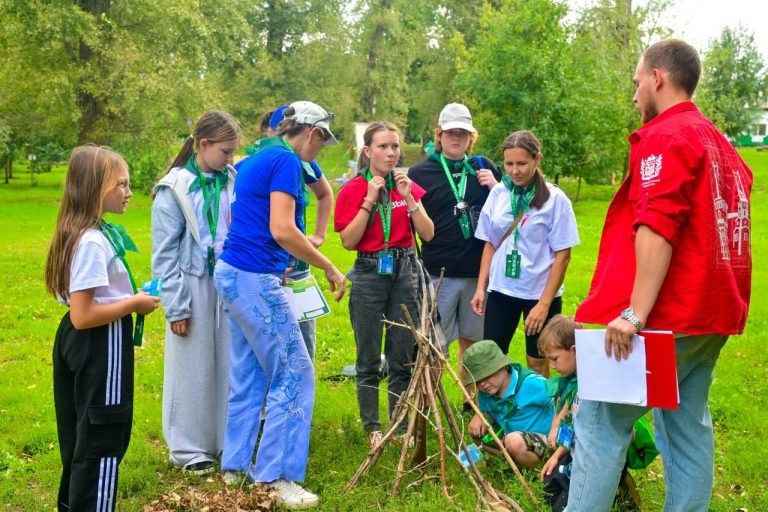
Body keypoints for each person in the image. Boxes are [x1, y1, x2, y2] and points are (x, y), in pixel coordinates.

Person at [568, 39, 753, 511]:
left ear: (657, 78)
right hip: (714, 312)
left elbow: (656, 224)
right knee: (686, 423)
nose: (634, 96)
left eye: (636, 83)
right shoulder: (722, 146)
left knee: (599, 420)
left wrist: (634, 312)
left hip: (669, 315)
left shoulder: (666, 137)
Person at [214, 100, 345, 509]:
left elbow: (256, 225)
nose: (320, 149)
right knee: (295, 371)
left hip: (234, 274)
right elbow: (283, 229)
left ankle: (234, 468)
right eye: (322, 140)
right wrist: (329, 266)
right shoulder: (287, 162)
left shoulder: (257, 157)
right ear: (310, 132)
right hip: (253, 279)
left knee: (251, 372)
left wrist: (280, 261)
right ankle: (276, 477)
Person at [44, 145, 160, 512]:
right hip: (99, 340)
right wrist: (135, 303)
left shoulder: (79, 230)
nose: (129, 191)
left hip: (76, 339)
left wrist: (127, 296)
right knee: (102, 434)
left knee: (78, 432)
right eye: (121, 184)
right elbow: (84, 314)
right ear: (97, 188)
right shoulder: (93, 241)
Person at [334, 121, 434, 448]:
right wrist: (369, 199)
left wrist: (410, 200)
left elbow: (429, 234)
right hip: (368, 271)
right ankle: (372, 427)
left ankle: (399, 425)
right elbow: (349, 241)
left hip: (404, 269)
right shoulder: (352, 189)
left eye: (394, 146)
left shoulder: (407, 185)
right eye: (382, 147)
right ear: (367, 151)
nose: (390, 153)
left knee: (402, 352)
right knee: (368, 354)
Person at [151, 110, 240, 475]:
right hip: (192, 284)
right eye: (225, 151)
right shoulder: (174, 189)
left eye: (233, 152)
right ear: (203, 145)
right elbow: (165, 255)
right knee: (192, 367)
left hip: (227, 283)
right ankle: (189, 449)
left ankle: (222, 439)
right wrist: (176, 307)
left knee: (227, 363)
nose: (230, 159)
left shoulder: (231, 179)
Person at [470, 131, 579, 376]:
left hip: (539, 293)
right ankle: (496, 411)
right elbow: (489, 242)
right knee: (492, 357)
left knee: (538, 360)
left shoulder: (555, 200)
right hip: (501, 290)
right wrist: (480, 287)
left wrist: (543, 305)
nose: (515, 171)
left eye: (522, 163)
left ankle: (541, 411)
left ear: (537, 160)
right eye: (509, 164)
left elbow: (563, 257)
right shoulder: (498, 194)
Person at [407, 103, 501, 387]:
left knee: (473, 347)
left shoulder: (483, 167)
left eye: (462, 132)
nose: (456, 138)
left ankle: (469, 409)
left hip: (477, 276)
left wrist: (496, 187)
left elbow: (507, 214)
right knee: (436, 346)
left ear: (471, 137)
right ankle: (432, 407)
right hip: (439, 273)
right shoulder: (420, 172)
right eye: (450, 132)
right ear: (439, 135)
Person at [537, 315, 647, 511]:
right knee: (549, 487)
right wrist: (556, 456)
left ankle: (619, 487)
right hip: (576, 454)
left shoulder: (598, 384)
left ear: (575, 351)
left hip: (598, 459)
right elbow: (573, 426)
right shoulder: (572, 384)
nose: (552, 366)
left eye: (554, 358)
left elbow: (627, 433)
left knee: (563, 506)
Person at [255, 104, 334, 360]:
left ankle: (299, 397)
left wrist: (318, 236)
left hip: (297, 264)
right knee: (270, 346)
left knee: (302, 345)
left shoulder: (301, 163)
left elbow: (325, 193)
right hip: (268, 266)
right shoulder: (264, 162)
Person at [463, 339, 554, 469]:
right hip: (511, 438)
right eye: (477, 380)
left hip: (545, 440)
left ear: (503, 367)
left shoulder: (532, 384)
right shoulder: (485, 393)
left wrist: (558, 430)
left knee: (514, 441)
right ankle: (510, 464)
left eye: (487, 375)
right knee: (476, 431)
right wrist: (482, 416)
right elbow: (493, 415)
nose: (482, 384)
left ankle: (540, 468)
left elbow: (563, 397)